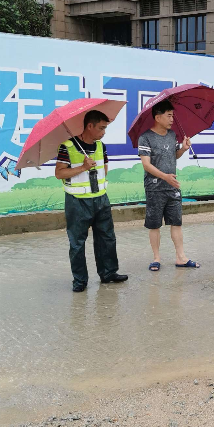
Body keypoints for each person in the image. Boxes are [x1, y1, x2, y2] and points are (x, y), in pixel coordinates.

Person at [55, 110, 128, 292]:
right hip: (77, 202)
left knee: (107, 238)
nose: (104, 132)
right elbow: (59, 173)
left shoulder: (101, 146)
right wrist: (82, 167)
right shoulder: (68, 146)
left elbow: (104, 168)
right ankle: (80, 281)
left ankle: (108, 273)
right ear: (90, 126)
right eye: (101, 128)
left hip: (101, 199)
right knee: (77, 243)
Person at [138, 99, 197, 271]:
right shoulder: (145, 138)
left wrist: (183, 148)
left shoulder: (172, 135)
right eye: (169, 115)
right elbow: (146, 165)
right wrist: (165, 177)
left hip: (173, 186)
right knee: (154, 224)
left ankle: (181, 257)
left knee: (176, 222)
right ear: (157, 117)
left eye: (173, 115)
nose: (172, 119)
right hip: (154, 187)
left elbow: (173, 156)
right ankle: (156, 258)